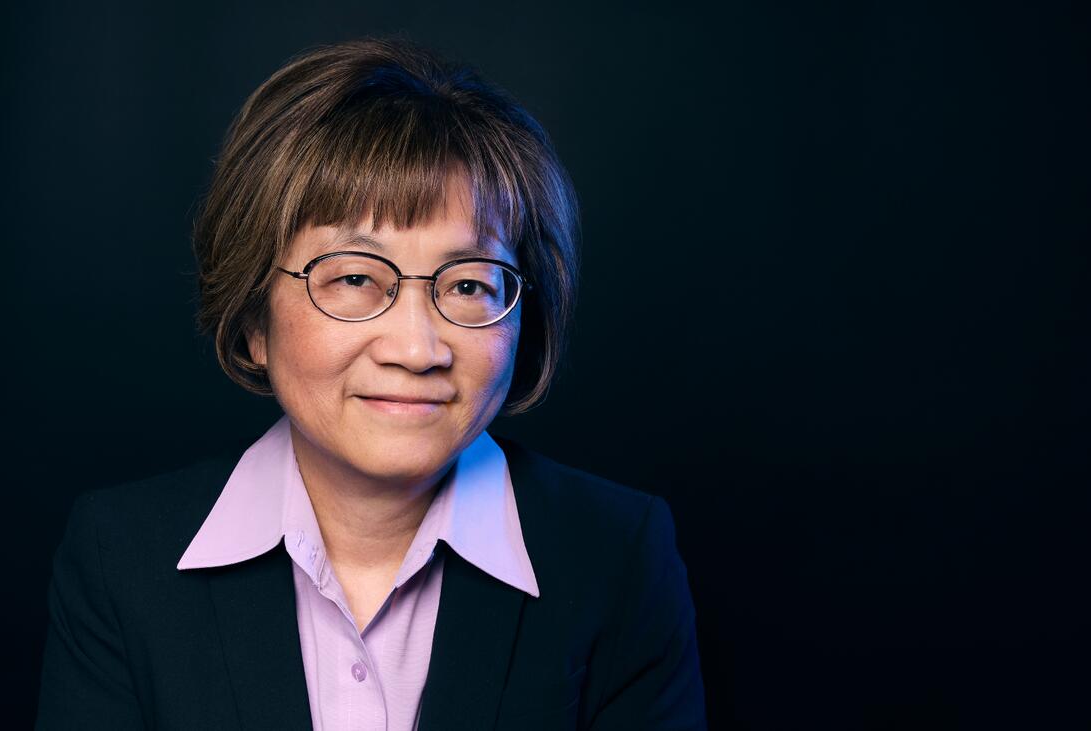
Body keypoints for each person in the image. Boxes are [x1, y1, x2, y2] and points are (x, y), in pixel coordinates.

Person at [35, 36, 705, 730]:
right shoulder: (120, 557)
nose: (417, 348)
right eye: (355, 277)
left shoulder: (618, 557)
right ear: (253, 317)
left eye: (471, 283)